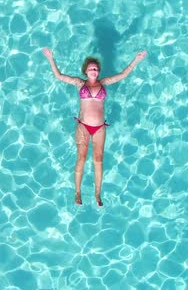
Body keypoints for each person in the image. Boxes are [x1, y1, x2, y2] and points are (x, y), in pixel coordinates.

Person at [42, 47, 147, 206]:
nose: (94, 70)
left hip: (99, 128)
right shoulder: (79, 83)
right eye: (91, 68)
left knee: (98, 160)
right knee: (81, 159)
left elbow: (123, 75)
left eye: (96, 69)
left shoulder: (103, 83)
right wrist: (50, 58)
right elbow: (59, 76)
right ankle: (77, 192)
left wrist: (136, 59)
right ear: (85, 70)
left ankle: (98, 194)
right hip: (83, 126)